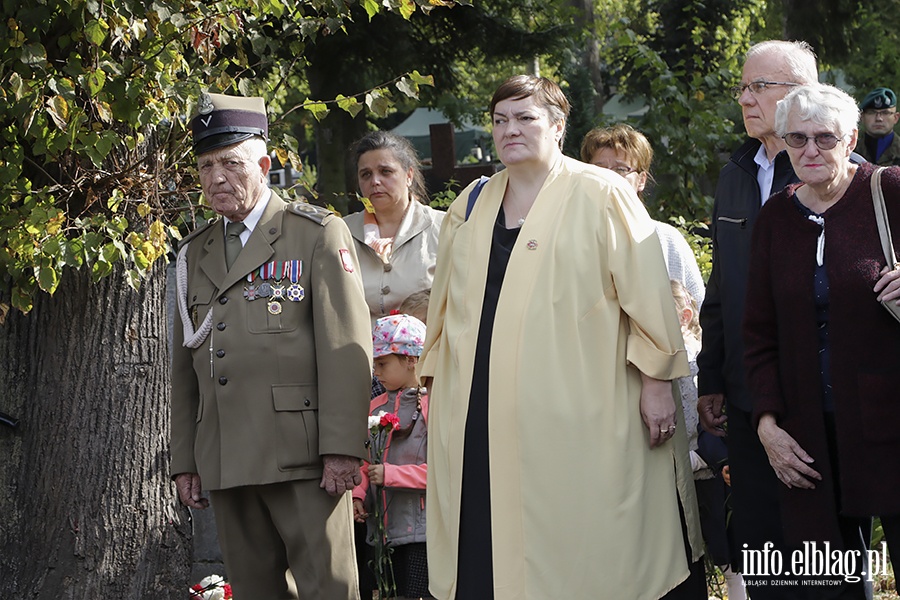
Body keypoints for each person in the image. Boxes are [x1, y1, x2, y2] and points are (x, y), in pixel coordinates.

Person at [421, 74, 704, 600]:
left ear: (557, 124)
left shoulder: (603, 193)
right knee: (485, 533)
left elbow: (648, 300)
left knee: (583, 533)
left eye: (525, 117)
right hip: (478, 404)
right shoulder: (470, 202)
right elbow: (444, 308)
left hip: (582, 406)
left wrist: (658, 384)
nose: (511, 130)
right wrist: (435, 382)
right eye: (500, 119)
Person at [170, 92, 373, 599]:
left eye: (231, 164)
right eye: (206, 166)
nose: (217, 178)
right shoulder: (194, 253)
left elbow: (344, 346)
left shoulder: (314, 233)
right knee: (256, 591)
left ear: (263, 164)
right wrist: (185, 458)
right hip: (226, 453)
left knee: (328, 588)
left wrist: (343, 448)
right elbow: (184, 366)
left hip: (302, 454)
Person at [744, 82, 900, 595]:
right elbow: (759, 331)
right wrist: (767, 422)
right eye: (796, 139)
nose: (809, 150)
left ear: (851, 137)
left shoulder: (891, 191)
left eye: (825, 139)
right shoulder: (776, 218)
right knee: (828, 587)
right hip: (809, 435)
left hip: (892, 422)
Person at [695, 39, 821, 595]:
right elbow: (722, 287)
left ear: (800, 94)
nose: (744, 98)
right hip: (747, 400)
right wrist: (713, 377)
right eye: (742, 87)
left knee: (826, 558)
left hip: (820, 397)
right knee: (762, 553)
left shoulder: (850, 179)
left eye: (758, 87)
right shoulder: (736, 175)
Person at [671, 280, 746, 600]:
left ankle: (738, 590)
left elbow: (714, 418)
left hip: (708, 467)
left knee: (725, 544)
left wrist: (701, 455)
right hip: (679, 472)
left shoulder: (696, 362)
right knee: (692, 545)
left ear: (685, 315)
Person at [581, 124, 706, 305]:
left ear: (641, 180)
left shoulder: (666, 241)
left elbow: (697, 313)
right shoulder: (570, 236)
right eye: (599, 169)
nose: (608, 177)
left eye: (621, 169)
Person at [353, 314, 432, 600]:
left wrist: (391, 475)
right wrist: (358, 495)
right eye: (374, 364)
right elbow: (364, 460)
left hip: (421, 535)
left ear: (411, 359)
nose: (377, 373)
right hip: (380, 535)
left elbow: (444, 472)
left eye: (383, 363)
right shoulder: (373, 406)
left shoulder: (432, 405)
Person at [344, 131, 445, 323]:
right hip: (361, 351)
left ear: (409, 175)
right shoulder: (341, 232)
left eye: (386, 171)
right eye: (366, 174)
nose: (375, 181)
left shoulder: (444, 228)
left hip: (427, 350)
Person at [854, 87, 900, 165]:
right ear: (862, 117)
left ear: (896, 118)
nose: (879, 118)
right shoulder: (851, 151)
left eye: (885, 113)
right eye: (872, 112)